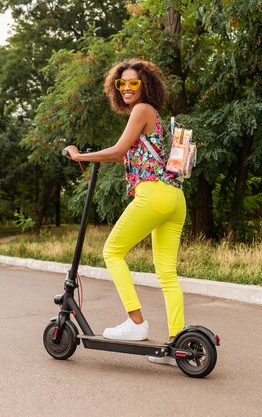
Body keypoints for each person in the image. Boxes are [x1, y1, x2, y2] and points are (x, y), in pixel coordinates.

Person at [63, 59, 186, 366]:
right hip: (174, 198)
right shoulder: (151, 117)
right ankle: (178, 343)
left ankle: (135, 322)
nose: (128, 88)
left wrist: (79, 155)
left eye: (134, 82)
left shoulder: (142, 110)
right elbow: (128, 158)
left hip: (154, 195)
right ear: (116, 88)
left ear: (146, 85)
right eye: (123, 83)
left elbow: (118, 151)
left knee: (113, 251)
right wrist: (101, 157)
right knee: (167, 273)